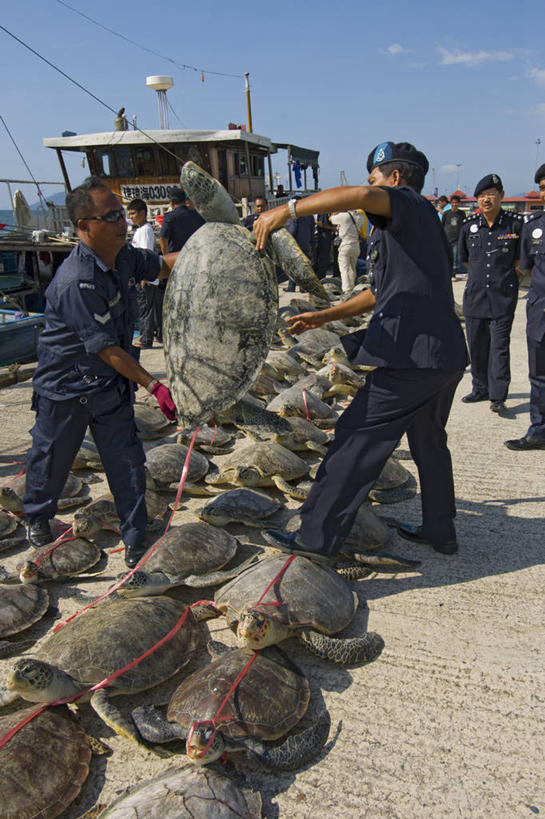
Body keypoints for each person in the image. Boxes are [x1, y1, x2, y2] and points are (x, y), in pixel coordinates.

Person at [253, 141, 468, 562]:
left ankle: (315, 540)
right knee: (428, 442)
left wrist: (286, 210)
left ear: (395, 177)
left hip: (413, 359)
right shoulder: (417, 227)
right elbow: (379, 292)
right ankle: (440, 530)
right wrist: (324, 315)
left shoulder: (404, 202)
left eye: (374, 178)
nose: (369, 187)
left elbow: (360, 195)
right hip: (442, 357)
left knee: (354, 440)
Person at [23, 177, 177, 568]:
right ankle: (38, 518)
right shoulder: (75, 280)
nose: (121, 221)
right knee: (52, 460)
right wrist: (153, 384)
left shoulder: (124, 256)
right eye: (110, 216)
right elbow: (106, 348)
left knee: (127, 465)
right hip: (67, 388)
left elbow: (163, 266)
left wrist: (212, 251)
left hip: (108, 388)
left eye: (121, 213)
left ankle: (134, 536)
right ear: (84, 227)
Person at [458, 174, 523, 413]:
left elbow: (520, 259)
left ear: (501, 197)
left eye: (491, 195)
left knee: (499, 347)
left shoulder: (515, 225)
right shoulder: (469, 226)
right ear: (477, 200)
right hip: (475, 295)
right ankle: (480, 388)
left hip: (502, 296)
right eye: (482, 196)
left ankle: (498, 395)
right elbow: (465, 260)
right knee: (476, 344)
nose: (487, 200)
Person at [504, 164, 545, 450]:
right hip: (540, 309)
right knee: (538, 374)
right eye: (542, 187)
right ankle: (539, 429)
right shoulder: (533, 226)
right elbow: (526, 268)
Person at [127, 198, 161, 349]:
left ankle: (146, 339)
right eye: (130, 214)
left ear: (143, 213)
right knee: (148, 308)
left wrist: (144, 277)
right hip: (142, 277)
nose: (131, 217)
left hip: (145, 278)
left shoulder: (146, 230)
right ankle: (151, 335)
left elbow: (146, 253)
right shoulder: (139, 230)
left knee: (145, 309)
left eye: (134, 213)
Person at [158, 188, 205, 254]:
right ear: (185, 201)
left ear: (171, 202)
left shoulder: (169, 217)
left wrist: (167, 257)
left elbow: (163, 238)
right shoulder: (197, 216)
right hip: (195, 256)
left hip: (176, 258)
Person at [330, 209, 364, 293]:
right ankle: (352, 287)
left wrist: (336, 212)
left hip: (346, 244)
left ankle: (346, 290)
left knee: (344, 269)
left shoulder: (344, 216)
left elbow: (331, 219)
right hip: (356, 245)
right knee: (353, 268)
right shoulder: (360, 217)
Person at [285, 198, 316, 291]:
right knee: (303, 267)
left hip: (295, 243)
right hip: (306, 243)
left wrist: (288, 239)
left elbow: (293, 229)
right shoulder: (309, 215)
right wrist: (311, 243)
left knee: (293, 266)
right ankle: (303, 287)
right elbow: (312, 230)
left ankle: (291, 286)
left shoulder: (294, 215)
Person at [441, 195, 464, 279]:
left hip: (457, 239)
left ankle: (453, 274)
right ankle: (446, 273)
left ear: (459, 203)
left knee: (455, 258)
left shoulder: (462, 214)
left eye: (456, 203)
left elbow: (464, 226)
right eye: (453, 203)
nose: (454, 204)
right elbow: (442, 225)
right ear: (450, 203)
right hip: (447, 239)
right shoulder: (446, 213)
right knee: (446, 257)